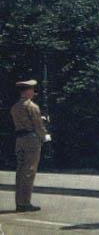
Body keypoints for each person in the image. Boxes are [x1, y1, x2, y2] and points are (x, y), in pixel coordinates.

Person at [10, 79, 51, 212]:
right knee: (29, 171)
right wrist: (45, 136)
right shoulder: (32, 106)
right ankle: (25, 203)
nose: (33, 92)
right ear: (27, 91)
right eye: (32, 90)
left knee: (20, 171)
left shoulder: (15, 107)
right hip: (31, 140)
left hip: (20, 139)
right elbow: (37, 125)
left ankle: (19, 201)